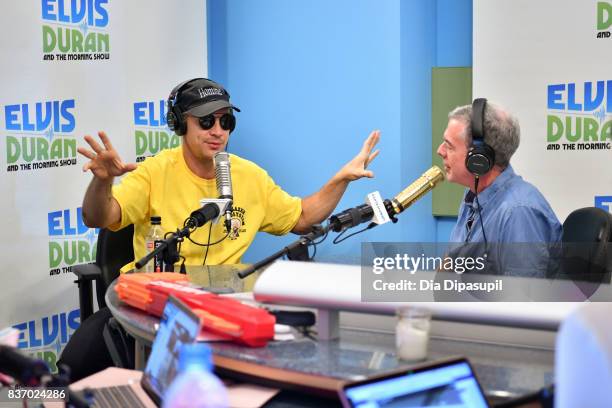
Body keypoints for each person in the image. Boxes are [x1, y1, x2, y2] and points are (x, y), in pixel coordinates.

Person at [77, 78, 381, 270]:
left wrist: (340, 180)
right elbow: (98, 217)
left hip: (220, 302)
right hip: (160, 297)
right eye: (206, 121)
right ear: (180, 125)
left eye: (226, 122)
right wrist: (102, 180)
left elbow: (301, 218)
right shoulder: (154, 172)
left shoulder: (249, 176)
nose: (218, 132)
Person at [436, 100, 561, 277]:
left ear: (478, 158)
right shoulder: (473, 195)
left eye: (449, 145)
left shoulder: (518, 212)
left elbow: (521, 299)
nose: (440, 151)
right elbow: (450, 266)